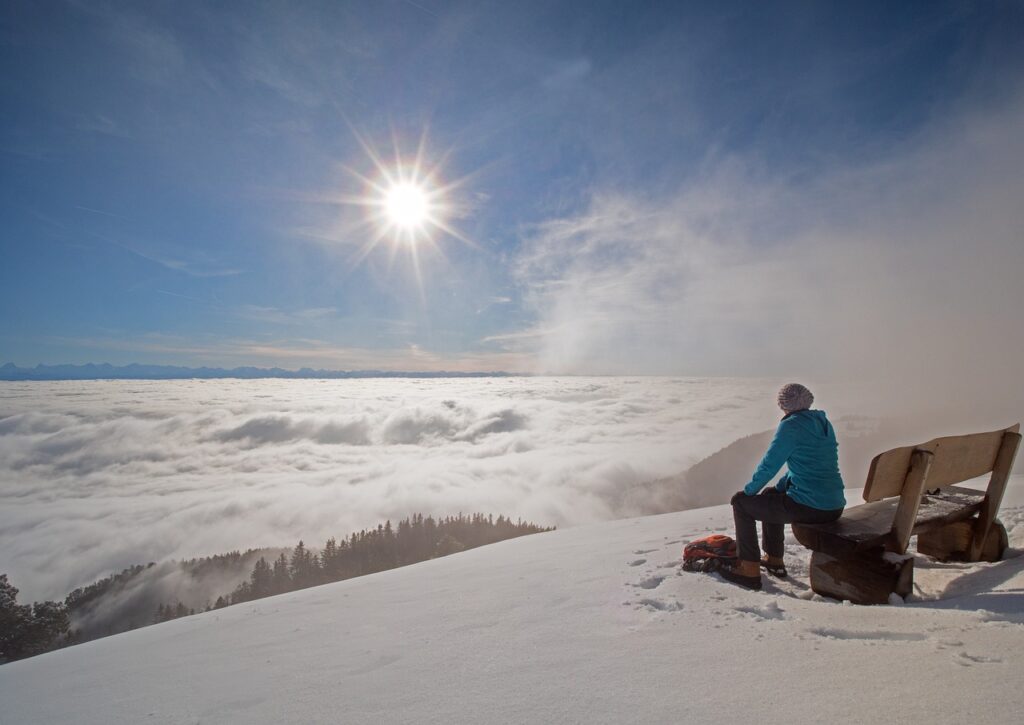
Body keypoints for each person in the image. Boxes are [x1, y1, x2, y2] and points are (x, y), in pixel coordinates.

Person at [719, 383, 845, 591]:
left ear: (783, 405)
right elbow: (806, 467)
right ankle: (774, 560)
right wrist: (777, 488)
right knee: (772, 495)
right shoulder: (822, 422)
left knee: (741, 505)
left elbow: (769, 464)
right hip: (834, 504)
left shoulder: (791, 426)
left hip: (812, 507)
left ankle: (748, 569)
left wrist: (748, 492)